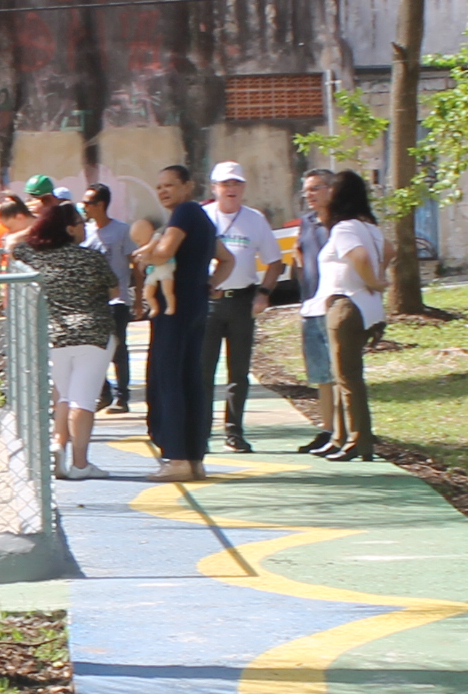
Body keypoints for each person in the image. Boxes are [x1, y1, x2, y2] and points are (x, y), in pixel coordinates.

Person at [21, 199, 121, 480]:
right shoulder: (91, 258)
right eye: (80, 222)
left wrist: (35, 223)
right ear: (69, 229)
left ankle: (58, 444)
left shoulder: (38, 257)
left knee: (64, 396)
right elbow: (114, 290)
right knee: (84, 401)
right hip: (94, 333)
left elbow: (15, 245)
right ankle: (79, 464)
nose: (85, 226)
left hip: (55, 334)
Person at [139, 163, 220, 481]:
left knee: (167, 379)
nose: (163, 191)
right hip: (194, 305)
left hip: (174, 312)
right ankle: (193, 456)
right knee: (189, 381)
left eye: (170, 185)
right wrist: (212, 283)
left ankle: (175, 456)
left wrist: (146, 253)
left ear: (188, 185)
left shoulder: (185, 213)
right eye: (159, 187)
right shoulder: (201, 218)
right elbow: (226, 259)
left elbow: (164, 253)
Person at [305, 171, 388, 461]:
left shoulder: (344, 229)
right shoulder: (370, 227)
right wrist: (377, 281)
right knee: (343, 376)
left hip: (347, 305)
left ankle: (358, 440)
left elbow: (361, 257)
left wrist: (373, 280)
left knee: (349, 378)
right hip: (366, 306)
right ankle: (341, 436)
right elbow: (390, 250)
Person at [201, 162, 282, 453]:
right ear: (214, 188)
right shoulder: (203, 216)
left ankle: (234, 432)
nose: (231, 190)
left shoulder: (255, 220)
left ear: (244, 188)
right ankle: (202, 432)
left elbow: (275, 262)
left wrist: (263, 293)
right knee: (203, 370)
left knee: (238, 372)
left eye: (236, 184)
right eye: (225, 184)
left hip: (242, 301)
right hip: (209, 302)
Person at [288, 169, 342, 455]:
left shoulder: (343, 222)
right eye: (306, 190)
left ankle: (347, 430)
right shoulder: (307, 222)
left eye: (316, 189)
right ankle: (328, 429)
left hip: (336, 305)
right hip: (311, 303)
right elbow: (300, 254)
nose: (310, 195)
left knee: (341, 372)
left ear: (332, 190)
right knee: (321, 374)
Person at [83, 184, 138, 411]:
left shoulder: (122, 231)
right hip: (91, 302)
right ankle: (103, 392)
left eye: (88, 203)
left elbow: (136, 264)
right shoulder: (85, 231)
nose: (84, 207)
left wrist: (139, 297)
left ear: (101, 205)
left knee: (117, 349)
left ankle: (123, 396)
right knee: (93, 349)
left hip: (117, 301)